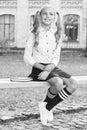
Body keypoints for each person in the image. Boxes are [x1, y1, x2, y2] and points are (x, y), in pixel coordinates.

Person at [24, 6, 77, 126]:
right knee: (58, 82)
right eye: (45, 14)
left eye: (51, 14)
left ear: (55, 17)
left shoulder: (57, 34)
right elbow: (27, 57)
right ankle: (48, 107)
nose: (48, 16)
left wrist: (49, 69)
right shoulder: (33, 33)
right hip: (38, 68)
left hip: (52, 67)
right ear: (40, 15)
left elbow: (56, 56)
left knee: (73, 83)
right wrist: (44, 69)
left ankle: (47, 107)